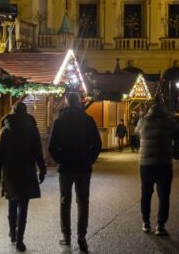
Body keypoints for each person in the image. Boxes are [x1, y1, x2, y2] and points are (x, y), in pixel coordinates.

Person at [48, 92, 102, 252]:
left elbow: (51, 146)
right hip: (83, 167)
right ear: (79, 103)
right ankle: (81, 237)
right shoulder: (88, 120)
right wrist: (89, 159)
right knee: (83, 202)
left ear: (66, 102)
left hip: (65, 168)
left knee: (65, 202)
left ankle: (66, 236)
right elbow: (97, 144)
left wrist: (60, 159)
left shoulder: (59, 121)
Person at [0, 102, 47, 252]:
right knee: (23, 206)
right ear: (26, 112)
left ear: (13, 111)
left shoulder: (5, 129)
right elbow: (38, 153)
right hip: (27, 171)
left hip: (10, 172)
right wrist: (42, 170)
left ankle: (12, 232)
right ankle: (20, 240)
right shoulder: (32, 129)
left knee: (12, 202)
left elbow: (0, 155)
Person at [137, 101, 179, 236]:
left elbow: (137, 131)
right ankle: (160, 225)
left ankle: (145, 222)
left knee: (146, 193)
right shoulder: (169, 122)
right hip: (163, 163)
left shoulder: (143, 121)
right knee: (164, 195)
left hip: (146, 163)